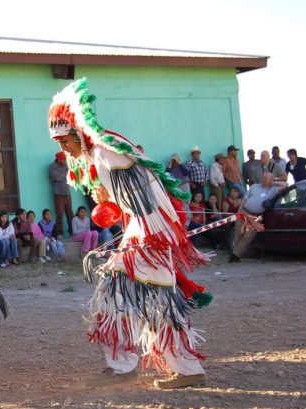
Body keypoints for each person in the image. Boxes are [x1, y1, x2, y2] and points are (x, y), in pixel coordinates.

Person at [49, 78, 211, 389]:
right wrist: (108, 199)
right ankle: (124, 365)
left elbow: (145, 194)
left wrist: (148, 232)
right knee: (118, 291)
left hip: (152, 231)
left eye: (66, 141)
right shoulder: (101, 153)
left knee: (159, 298)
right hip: (145, 229)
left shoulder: (107, 152)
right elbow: (134, 193)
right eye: (59, 144)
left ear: (78, 132)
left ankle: (186, 369)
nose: (65, 149)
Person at [229, 172, 282, 262]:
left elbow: (285, 184)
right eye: (262, 177)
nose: (263, 179)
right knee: (239, 234)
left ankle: (235, 255)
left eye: (266, 178)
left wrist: (273, 182)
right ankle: (234, 254)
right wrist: (239, 211)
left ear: (270, 180)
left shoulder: (273, 189)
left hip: (256, 216)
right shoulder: (254, 187)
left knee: (248, 236)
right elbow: (245, 198)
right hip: (245, 211)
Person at [49, 151, 74, 237]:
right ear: (58, 159)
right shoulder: (52, 166)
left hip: (67, 193)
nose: (64, 160)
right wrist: (66, 173)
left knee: (70, 214)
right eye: (63, 159)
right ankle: (59, 233)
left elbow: (70, 174)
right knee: (59, 214)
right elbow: (57, 177)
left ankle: (72, 232)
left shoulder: (66, 165)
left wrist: (64, 173)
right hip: (58, 194)